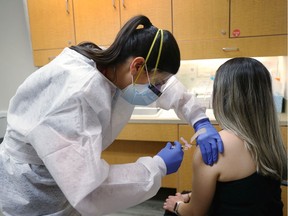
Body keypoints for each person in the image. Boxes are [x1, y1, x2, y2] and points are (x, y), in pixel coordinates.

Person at [0, 15, 223, 216]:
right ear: (137, 65)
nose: (157, 90)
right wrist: (157, 166)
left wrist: (199, 119)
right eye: (155, 83)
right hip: (32, 190)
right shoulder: (78, 94)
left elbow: (170, 87)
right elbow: (90, 190)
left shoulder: (112, 65)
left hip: (63, 183)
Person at [163, 57, 287, 216]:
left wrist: (176, 205)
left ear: (221, 97)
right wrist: (189, 196)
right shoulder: (271, 142)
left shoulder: (213, 148)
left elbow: (195, 213)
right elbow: (242, 191)